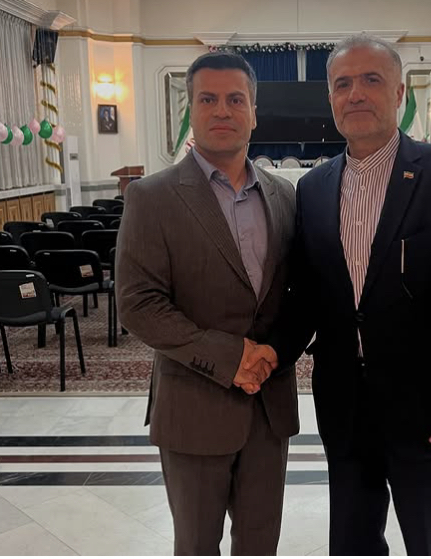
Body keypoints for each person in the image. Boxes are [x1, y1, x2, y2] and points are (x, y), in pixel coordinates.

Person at [250, 33, 431, 555]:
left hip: (430, 411)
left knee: (430, 541)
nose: (356, 94)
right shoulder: (314, 188)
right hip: (344, 407)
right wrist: (272, 350)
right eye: (342, 84)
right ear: (330, 98)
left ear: (399, 93)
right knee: (351, 541)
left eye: (371, 79)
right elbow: (310, 296)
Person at [115, 52, 299, 556]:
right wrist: (229, 358)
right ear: (190, 111)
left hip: (269, 408)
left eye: (235, 99)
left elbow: (297, 295)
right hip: (193, 406)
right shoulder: (152, 197)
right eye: (208, 99)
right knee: (196, 545)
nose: (222, 110)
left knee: (261, 544)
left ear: (254, 112)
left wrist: (273, 353)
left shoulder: (284, 196)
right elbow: (138, 303)